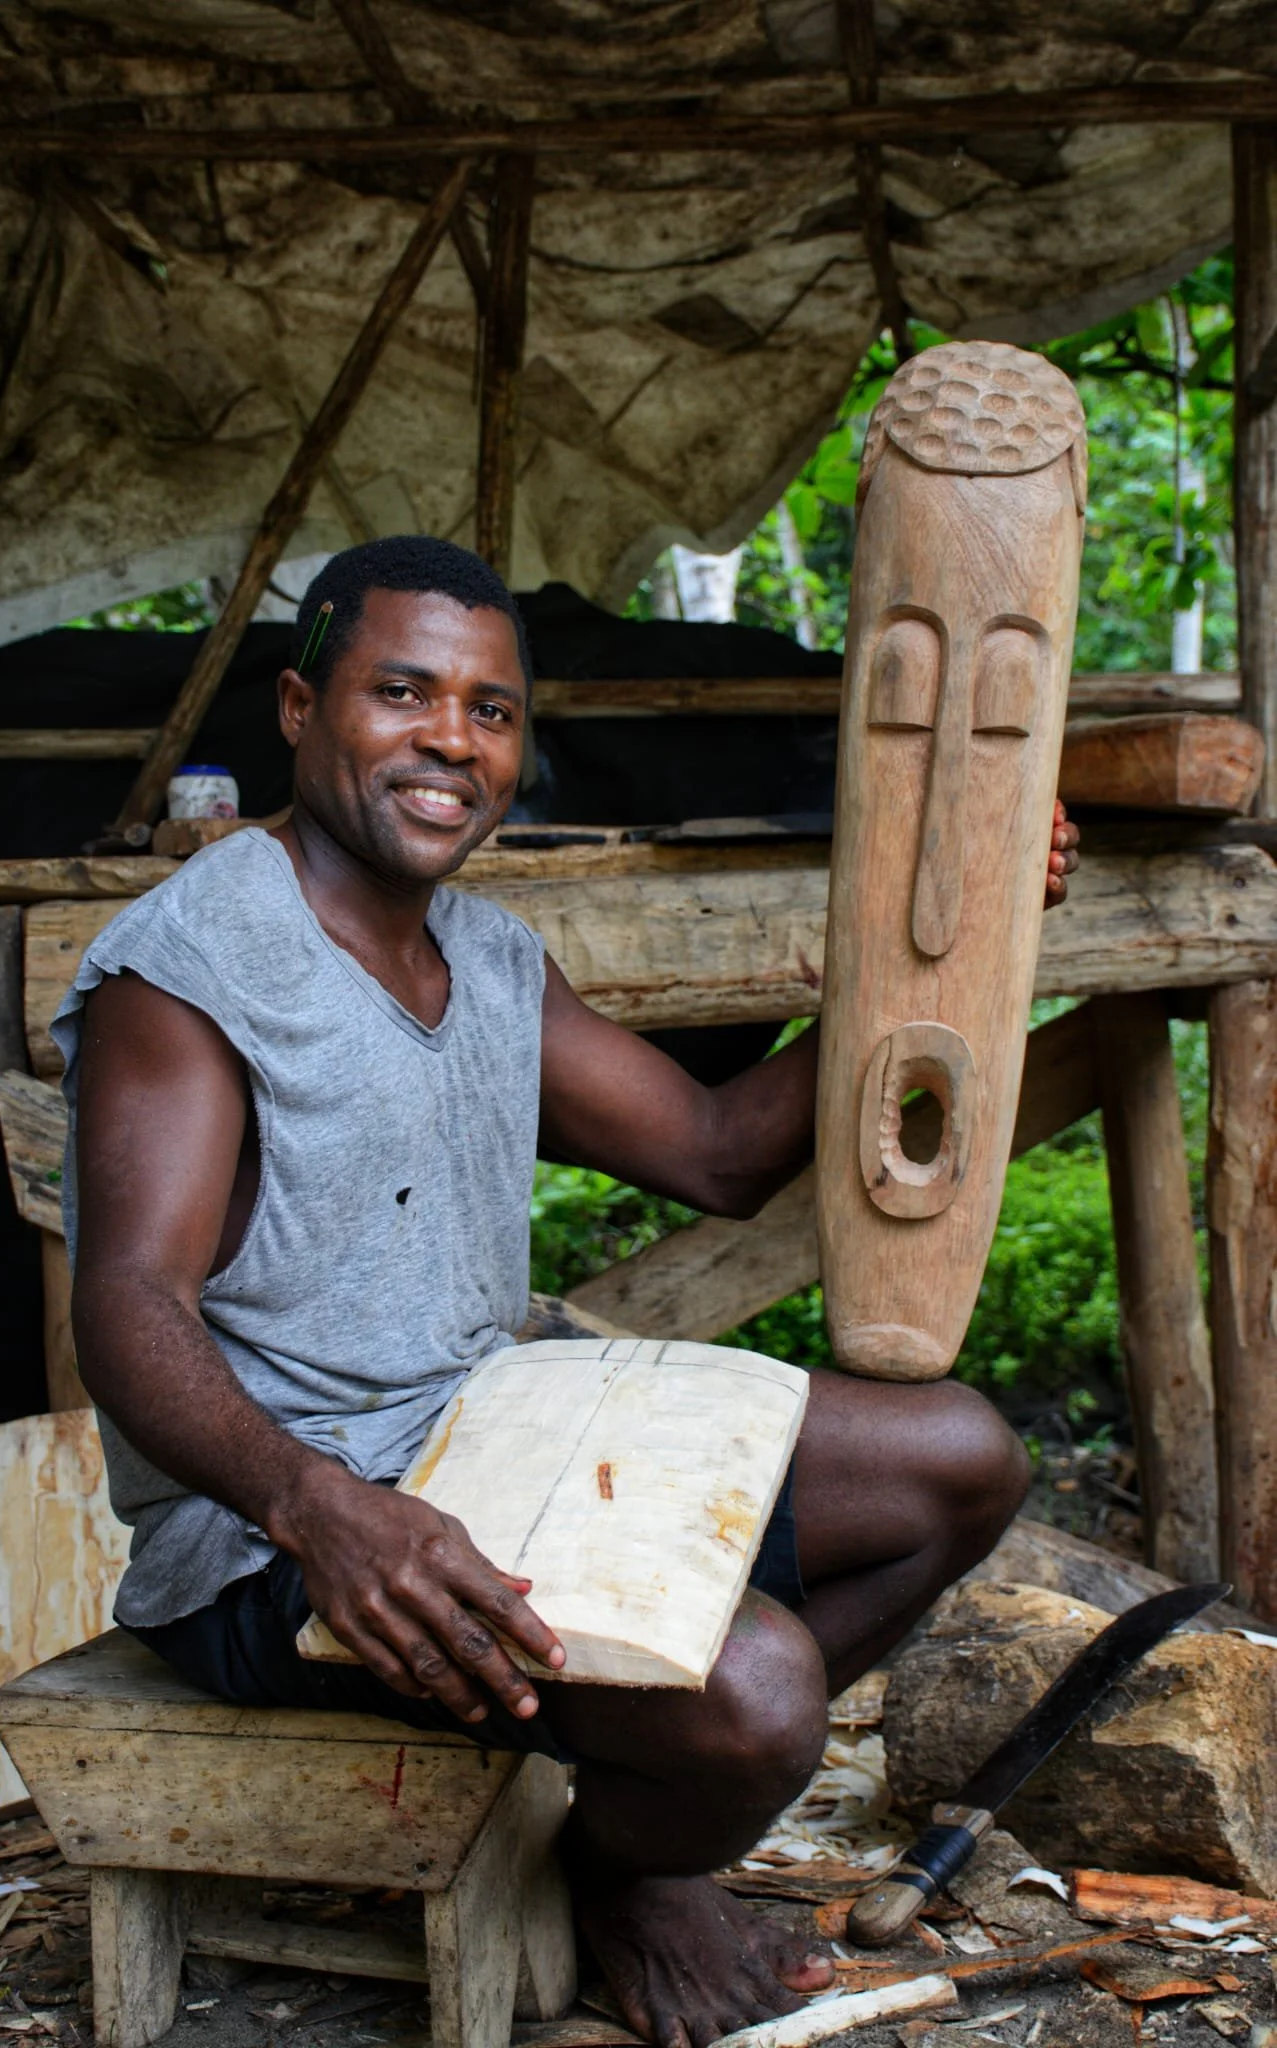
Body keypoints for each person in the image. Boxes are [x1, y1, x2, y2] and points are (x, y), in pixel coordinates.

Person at [60, 536, 1081, 2048]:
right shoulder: (195, 966)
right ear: (298, 706)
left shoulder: (486, 956)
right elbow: (128, 1306)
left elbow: (720, 1153)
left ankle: (634, 1823)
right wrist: (316, 1507)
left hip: (491, 1441)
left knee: (959, 1461)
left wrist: (975, 928)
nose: (450, 743)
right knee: (760, 1695)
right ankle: (644, 1856)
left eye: (489, 711)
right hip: (275, 1540)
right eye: (402, 693)